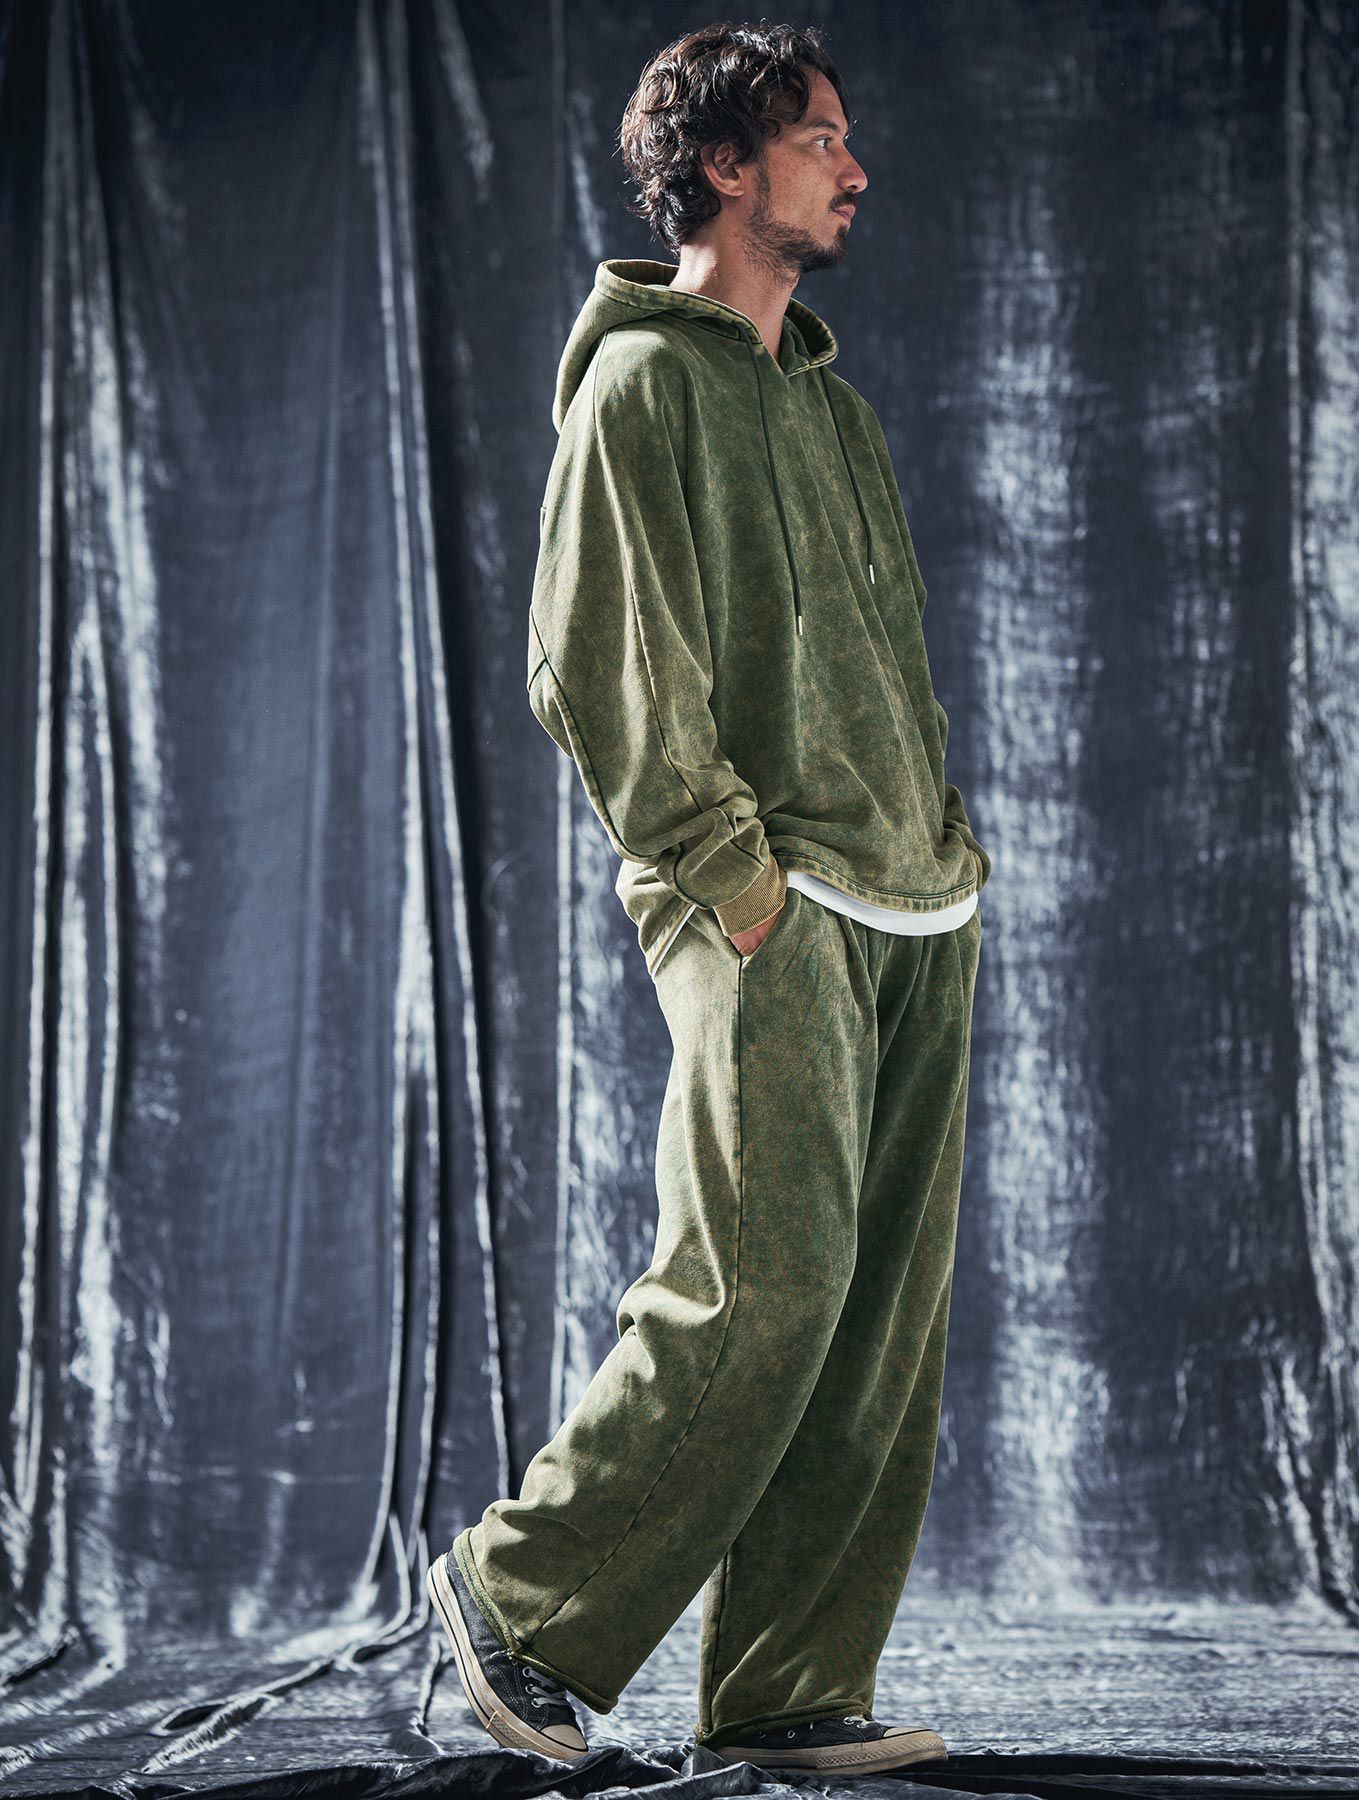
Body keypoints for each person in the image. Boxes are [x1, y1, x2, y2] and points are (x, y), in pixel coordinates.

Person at [426, 19, 989, 1775]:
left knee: (873, 1335)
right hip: (770, 905)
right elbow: (596, 663)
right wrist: (740, 883)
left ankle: (790, 1690)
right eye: (821, 139)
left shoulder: (833, 411)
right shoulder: (638, 390)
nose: (856, 169)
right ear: (726, 164)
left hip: (917, 911)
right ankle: (519, 1598)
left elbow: (891, 665)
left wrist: (946, 855)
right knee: (762, 1290)